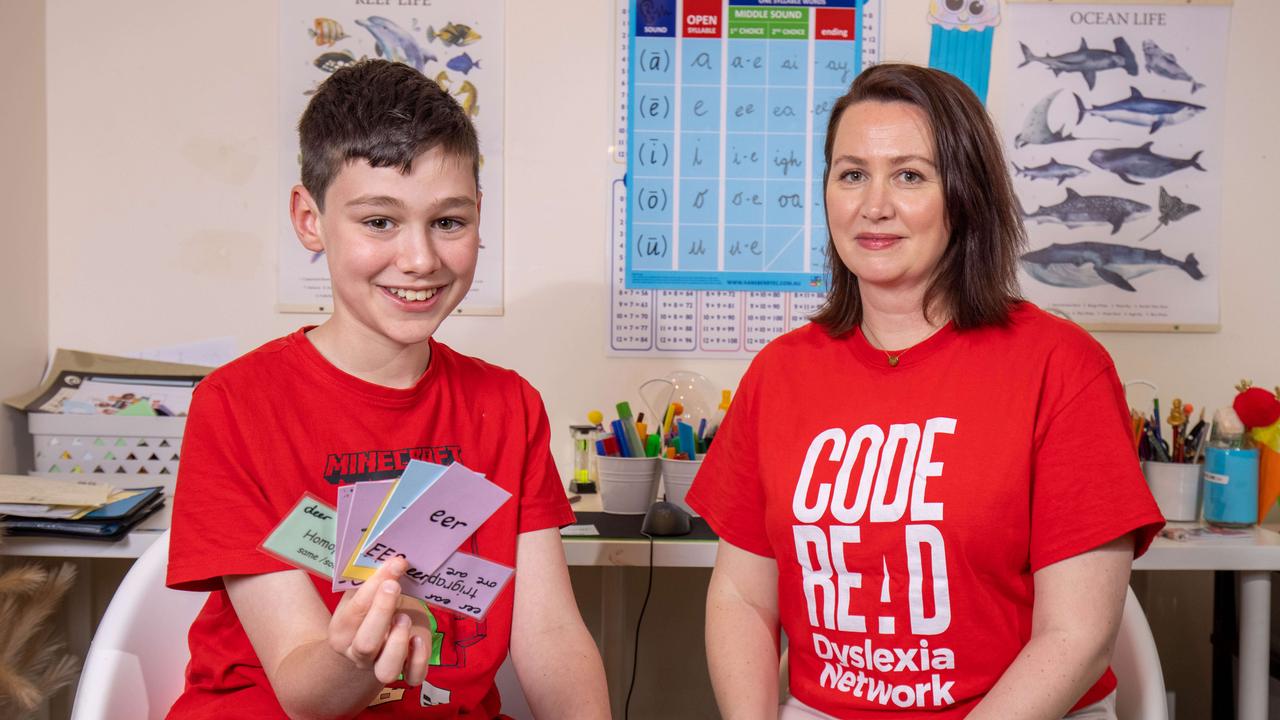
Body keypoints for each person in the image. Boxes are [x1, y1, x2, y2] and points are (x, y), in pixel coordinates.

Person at [686, 63, 1164, 720]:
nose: (873, 204)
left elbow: (1076, 637)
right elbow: (742, 597)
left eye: (910, 175)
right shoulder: (778, 374)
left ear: (964, 194)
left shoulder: (1062, 367)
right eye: (852, 174)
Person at [166, 60, 610, 719]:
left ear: (478, 219)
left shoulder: (508, 407)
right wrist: (353, 658)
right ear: (309, 219)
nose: (420, 259)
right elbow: (303, 691)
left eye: (448, 222)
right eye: (379, 222)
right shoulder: (236, 405)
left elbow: (550, 635)